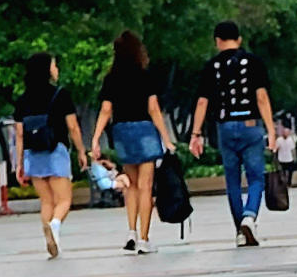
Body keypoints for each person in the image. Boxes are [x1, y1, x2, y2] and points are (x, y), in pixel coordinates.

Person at [189, 21, 275, 248]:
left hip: (225, 127)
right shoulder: (254, 62)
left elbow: (202, 101)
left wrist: (195, 134)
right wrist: (271, 131)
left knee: (233, 180)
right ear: (239, 39)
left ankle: (239, 229)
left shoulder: (212, 66)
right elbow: (262, 97)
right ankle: (249, 216)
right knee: (256, 177)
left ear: (217, 41)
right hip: (250, 125)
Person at [89, 29, 173, 254]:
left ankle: (131, 232)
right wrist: (166, 138)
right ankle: (145, 240)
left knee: (131, 185)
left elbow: (106, 109)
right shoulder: (145, 76)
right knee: (146, 187)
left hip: (122, 132)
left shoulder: (111, 79)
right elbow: (153, 109)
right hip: (144, 130)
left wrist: (96, 138)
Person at [12, 53, 87, 258]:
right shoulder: (61, 94)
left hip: (32, 154)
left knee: (47, 201)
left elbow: (19, 134)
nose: (56, 69)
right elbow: (72, 126)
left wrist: (19, 164)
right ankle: (54, 226)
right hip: (56, 150)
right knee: (64, 200)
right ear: (47, 69)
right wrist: (81, 151)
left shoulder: (22, 99)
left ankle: (51, 238)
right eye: (54, 65)